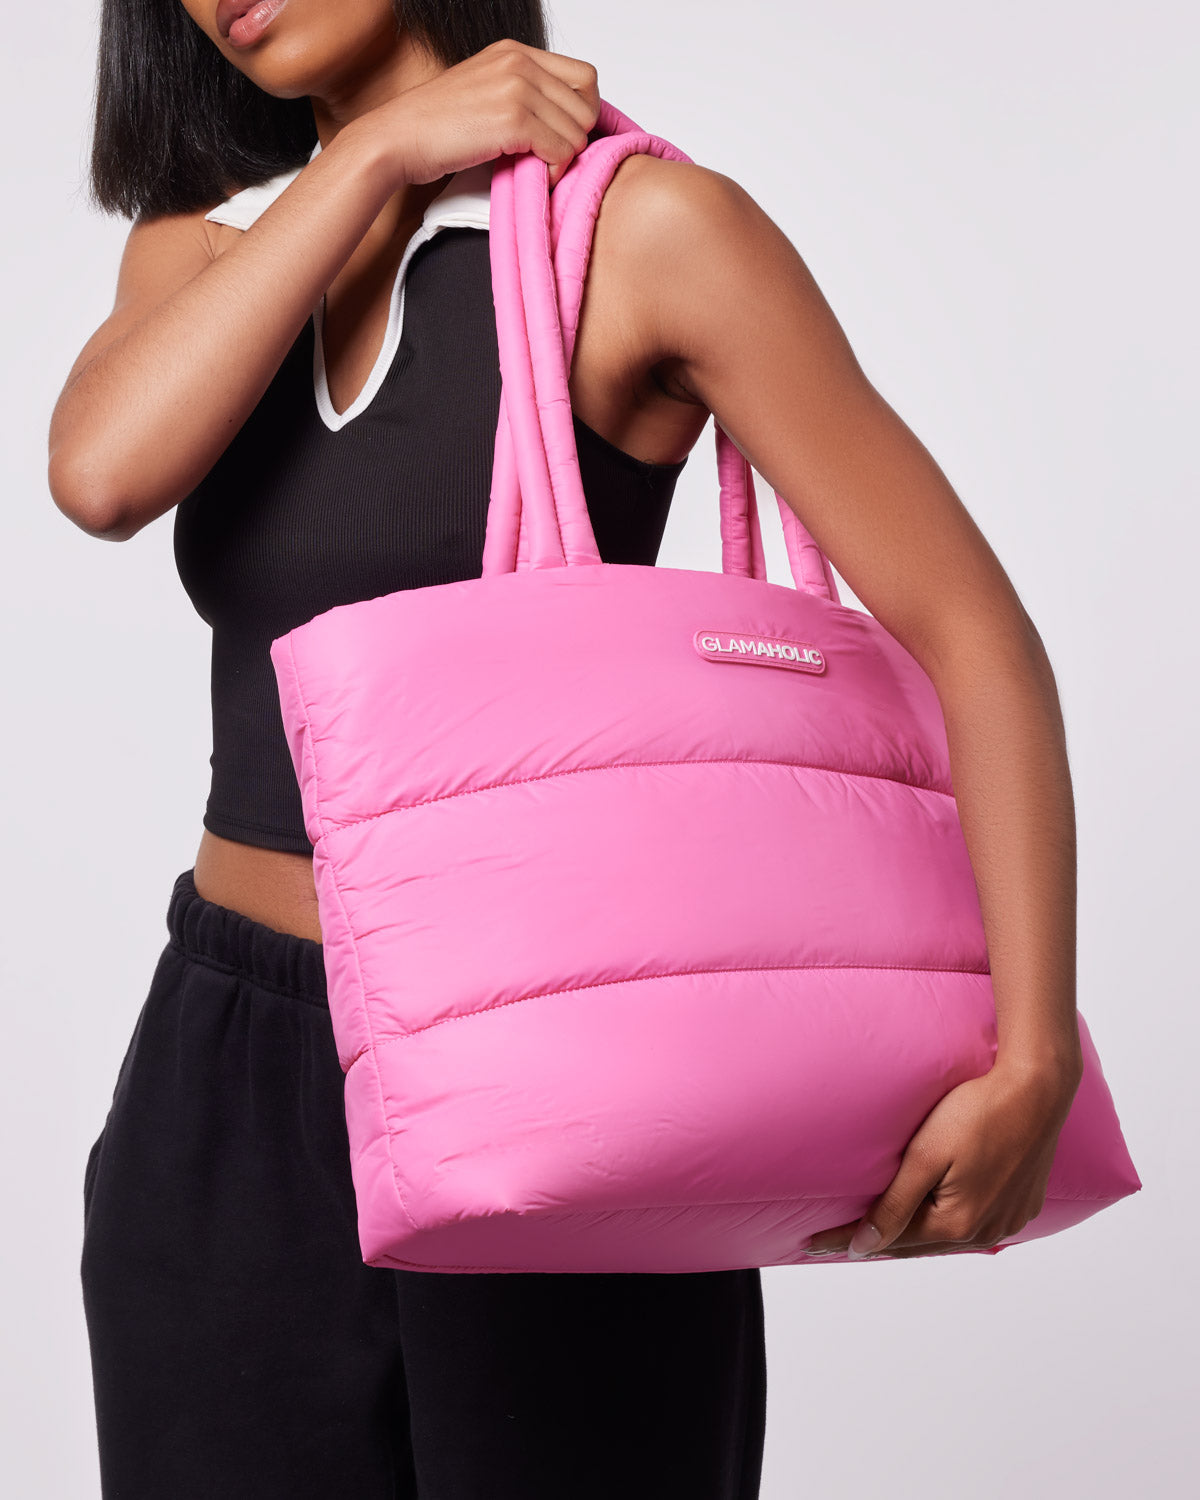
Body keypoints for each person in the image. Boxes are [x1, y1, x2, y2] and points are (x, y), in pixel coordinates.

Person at [49, 2, 1084, 1497]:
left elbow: (970, 631)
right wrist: (385, 152)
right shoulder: (203, 252)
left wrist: (1034, 1052)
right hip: (230, 1069)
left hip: (560, 1061)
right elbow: (99, 472)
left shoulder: (648, 233)